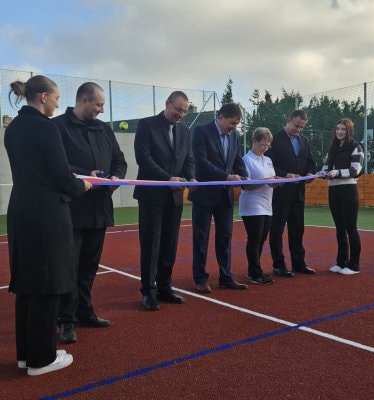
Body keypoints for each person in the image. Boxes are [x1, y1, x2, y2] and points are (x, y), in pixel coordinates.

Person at [5, 75, 91, 375]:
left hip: (21, 211)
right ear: (43, 97)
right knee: (48, 282)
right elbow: (60, 175)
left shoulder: (14, 127)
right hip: (46, 215)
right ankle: (41, 359)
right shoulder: (46, 127)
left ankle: (27, 354)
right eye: (55, 98)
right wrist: (82, 185)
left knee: (28, 284)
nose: (57, 104)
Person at [53, 82, 127, 343]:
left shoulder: (104, 129)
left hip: (99, 209)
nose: (101, 110)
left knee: (89, 267)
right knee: (69, 268)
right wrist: (87, 175)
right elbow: (57, 165)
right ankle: (66, 319)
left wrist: (115, 177)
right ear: (83, 100)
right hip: (71, 211)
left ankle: (85, 311)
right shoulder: (58, 127)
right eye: (98, 104)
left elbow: (119, 160)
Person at [133, 91, 196, 311]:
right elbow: (143, 158)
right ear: (167, 104)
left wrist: (192, 178)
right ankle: (148, 292)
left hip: (174, 196)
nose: (181, 114)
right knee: (151, 244)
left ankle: (165, 287)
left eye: (185, 111)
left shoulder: (185, 131)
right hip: (151, 196)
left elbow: (188, 159)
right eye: (178, 109)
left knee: (170, 243)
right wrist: (166, 178)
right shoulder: (146, 125)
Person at [189, 103, 248, 293]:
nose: (234, 128)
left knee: (225, 237)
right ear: (220, 117)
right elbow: (201, 162)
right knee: (201, 238)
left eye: (237, 124)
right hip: (204, 195)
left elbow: (237, 158)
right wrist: (226, 177)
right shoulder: (201, 131)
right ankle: (200, 278)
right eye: (232, 123)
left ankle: (226, 276)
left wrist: (245, 177)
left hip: (225, 195)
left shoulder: (235, 136)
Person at [266, 110, 317, 277]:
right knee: (277, 230)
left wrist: (310, 173)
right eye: (296, 126)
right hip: (280, 193)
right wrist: (285, 175)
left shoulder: (305, 141)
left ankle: (299, 263)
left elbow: (310, 162)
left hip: (298, 194)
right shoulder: (274, 139)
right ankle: (278, 265)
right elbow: (268, 165)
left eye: (302, 127)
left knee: (297, 229)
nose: (298, 130)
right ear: (289, 120)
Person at [239, 127, 281, 285]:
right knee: (255, 239)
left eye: (268, 145)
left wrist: (278, 182)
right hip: (252, 204)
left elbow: (270, 181)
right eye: (263, 144)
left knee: (262, 238)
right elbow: (246, 185)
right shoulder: (246, 160)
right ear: (254, 141)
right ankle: (255, 272)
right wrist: (267, 181)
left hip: (267, 204)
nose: (265, 148)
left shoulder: (268, 160)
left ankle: (253, 269)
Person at [323, 118, 364, 275]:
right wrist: (322, 172)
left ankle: (354, 265)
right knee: (340, 228)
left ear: (349, 131)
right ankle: (341, 262)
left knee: (350, 228)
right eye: (338, 129)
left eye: (343, 129)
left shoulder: (356, 147)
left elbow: (355, 170)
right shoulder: (333, 149)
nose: (340, 132)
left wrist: (336, 172)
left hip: (348, 190)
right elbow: (326, 167)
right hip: (333, 190)